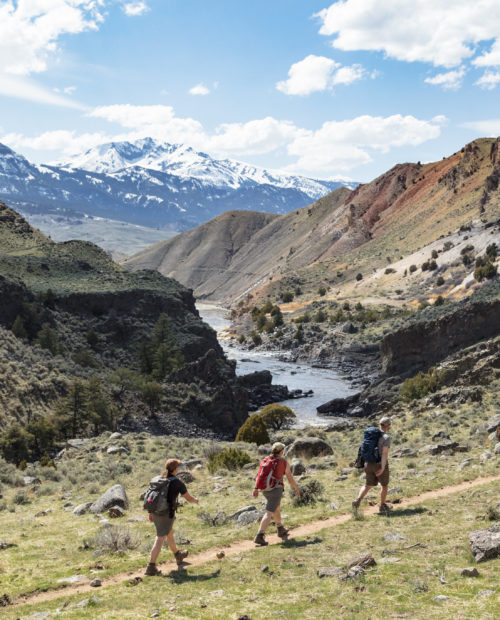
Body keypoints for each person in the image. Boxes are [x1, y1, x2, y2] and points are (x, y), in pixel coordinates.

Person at [145, 458, 199, 576]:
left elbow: (154, 498)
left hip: (156, 512)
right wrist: (195, 500)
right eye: (178, 467)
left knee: (169, 533)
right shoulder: (177, 482)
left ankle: (178, 555)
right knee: (160, 538)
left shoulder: (161, 479)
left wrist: (150, 512)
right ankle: (151, 566)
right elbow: (188, 498)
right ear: (175, 469)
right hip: (166, 513)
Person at [253, 442, 300, 546]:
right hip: (276, 489)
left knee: (276, 508)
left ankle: (280, 528)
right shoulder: (283, 462)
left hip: (265, 490)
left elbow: (259, 475)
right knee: (269, 512)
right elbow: (289, 477)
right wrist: (296, 488)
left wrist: (256, 488)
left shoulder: (265, 460)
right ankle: (259, 535)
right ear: (281, 451)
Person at [352, 417, 392, 515]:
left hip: (369, 463)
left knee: (368, 485)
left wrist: (365, 463)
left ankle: (358, 501)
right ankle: (382, 506)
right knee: (384, 486)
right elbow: (384, 454)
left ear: (379, 424)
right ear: (388, 426)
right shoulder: (386, 437)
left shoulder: (370, 435)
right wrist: (382, 468)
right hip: (379, 464)